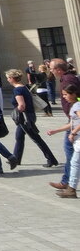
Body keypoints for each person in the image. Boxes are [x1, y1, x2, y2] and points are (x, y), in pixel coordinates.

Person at [6, 69, 58, 168]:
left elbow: (21, 105)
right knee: (19, 137)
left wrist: (15, 112)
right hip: (30, 115)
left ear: (12, 78)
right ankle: (16, 159)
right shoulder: (24, 87)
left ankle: (51, 159)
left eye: (8, 78)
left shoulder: (17, 89)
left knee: (36, 138)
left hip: (25, 118)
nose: (8, 80)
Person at [49, 58, 80, 189]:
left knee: (70, 152)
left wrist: (76, 109)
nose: (50, 70)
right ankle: (67, 181)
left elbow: (78, 96)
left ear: (58, 70)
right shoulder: (66, 79)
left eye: (51, 68)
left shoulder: (68, 80)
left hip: (75, 118)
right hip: (73, 117)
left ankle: (67, 182)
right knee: (72, 153)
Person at [46, 83, 79, 195]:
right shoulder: (74, 105)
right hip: (77, 138)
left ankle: (71, 189)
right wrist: (56, 130)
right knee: (74, 162)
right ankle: (71, 188)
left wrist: (73, 133)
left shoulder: (77, 106)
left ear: (73, 94)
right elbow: (72, 123)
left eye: (65, 95)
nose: (63, 97)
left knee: (74, 162)